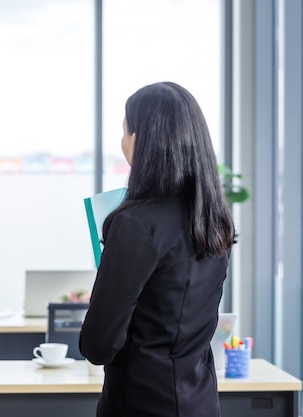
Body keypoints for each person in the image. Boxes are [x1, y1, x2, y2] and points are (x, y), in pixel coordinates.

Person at [79, 82, 236, 417]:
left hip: (141, 403)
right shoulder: (214, 219)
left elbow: (98, 345)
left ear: (142, 140)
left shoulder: (135, 223)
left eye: (125, 131)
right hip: (200, 403)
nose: (123, 142)